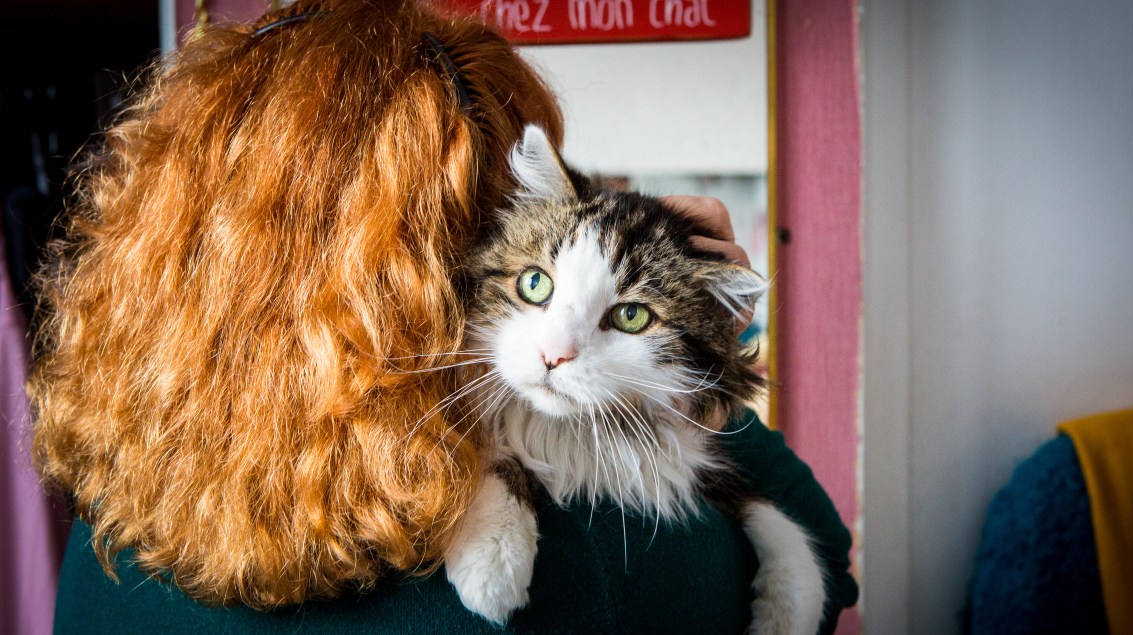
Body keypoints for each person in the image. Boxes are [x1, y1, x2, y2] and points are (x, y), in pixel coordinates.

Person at [32, 0, 857, 631]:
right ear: (421, 276)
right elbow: (829, 561)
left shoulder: (111, 515)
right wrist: (708, 360)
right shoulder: (586, 556)